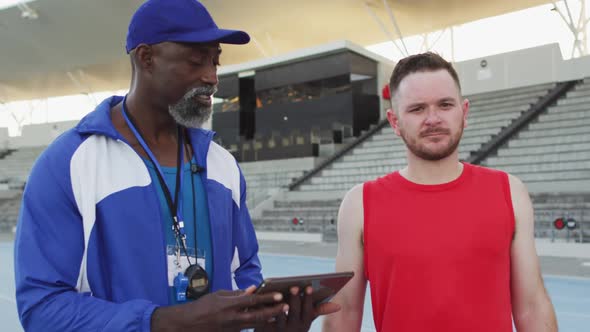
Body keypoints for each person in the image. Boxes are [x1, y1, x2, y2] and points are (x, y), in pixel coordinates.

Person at [14, 1, 338, 331]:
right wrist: (163, 322)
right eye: (196, 61)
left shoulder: (222, 165)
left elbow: (245, 275)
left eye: (215, 61)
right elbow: (42, 308)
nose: (212, 77)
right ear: (146, 58)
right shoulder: (69, 163)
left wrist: (266, 319)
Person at [323, 52, 557, 332]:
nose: (433, 118)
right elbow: (344, 313)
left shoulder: (510, 192)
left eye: (445, 105)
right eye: (417, 108)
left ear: (464, 112)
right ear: (395, 121)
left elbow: (531, 306)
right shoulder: (359, 204)